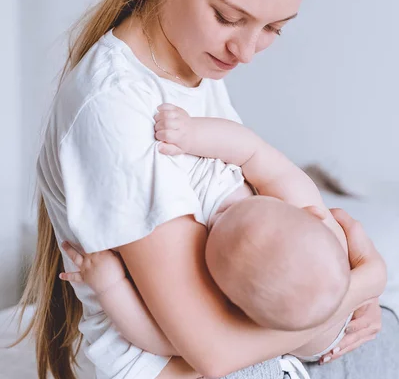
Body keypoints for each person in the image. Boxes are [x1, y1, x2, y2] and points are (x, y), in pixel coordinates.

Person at [15, 0, 393, 379]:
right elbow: (211, 351)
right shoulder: (115, 108)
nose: (245, 51)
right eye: (229, 17)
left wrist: (346, 297)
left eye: (274, 28)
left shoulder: (193, 68)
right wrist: (361, 284)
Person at [59, 104, 355, 365]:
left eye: (217, 224)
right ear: (310, 214)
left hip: (322, 341)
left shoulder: (243, 298)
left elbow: (162, 339)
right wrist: (192, 134)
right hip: (334, 300)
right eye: (228, 210)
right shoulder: (299, 198)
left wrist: (110, 285)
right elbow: (253, 149)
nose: (216, 212)